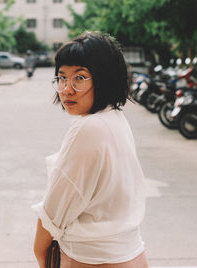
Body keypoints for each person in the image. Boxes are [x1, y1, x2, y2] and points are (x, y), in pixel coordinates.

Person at [33, 31, 149, 268]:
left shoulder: (89, 129)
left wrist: (39, 252)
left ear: (104, 79)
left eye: (80, 78)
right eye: (62, 78)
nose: (66, 89)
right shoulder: (115, 119)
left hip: (92, 261)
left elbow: (55, 210)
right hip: (131, 255)